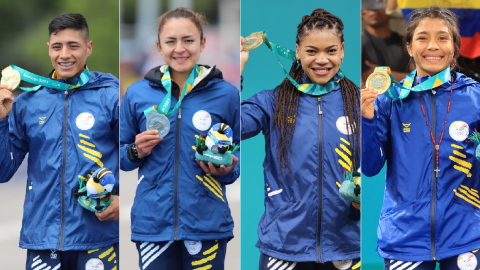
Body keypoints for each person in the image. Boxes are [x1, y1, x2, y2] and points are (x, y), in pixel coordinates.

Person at [120, 7, 240, 270]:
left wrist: (229, 166)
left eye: (188, 40)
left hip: (207, 224)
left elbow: (237, 154)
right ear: (159, 47)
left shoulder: (227, 94)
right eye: (171, 41)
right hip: (153, 224)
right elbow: (121, 156)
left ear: (202, 43)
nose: (180, 49)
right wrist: (135, 151)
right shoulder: (137, 93)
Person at [241, 9, 361, 270]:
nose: (321, 60)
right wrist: (235, 72)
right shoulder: (273, 102)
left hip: (347, 247)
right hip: (284, 246)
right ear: (297, 51)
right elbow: (228, 127)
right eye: (311, 51)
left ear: (342, 51)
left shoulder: (359, 103)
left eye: (330, 51)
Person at [362, 6, 480, 269]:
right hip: (405, 238)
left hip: (466, 236)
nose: (433, 46)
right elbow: (370, 167)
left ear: (454, 47)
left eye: (443, 37)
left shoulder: (475, 97)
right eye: (423, 37)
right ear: (409, 47)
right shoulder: (391, 100)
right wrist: (367, 119)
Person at [0, 13, 119, 270]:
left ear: (88, 48)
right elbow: (3, 171)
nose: (64, 54)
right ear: (49, 49)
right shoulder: (26, 103)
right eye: (57, 46)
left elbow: (138, 157)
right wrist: (0, 121)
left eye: (73, 46)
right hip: (44, 239)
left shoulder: (111, 97)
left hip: (98, 237)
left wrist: (123, 200)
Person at [361, 7, 411, 86]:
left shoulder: (407, 44)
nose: (374, 9)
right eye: (368, 4)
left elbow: (420, 79)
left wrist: (383, 75)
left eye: (379, 2)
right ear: (362, 12)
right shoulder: (353, 45)